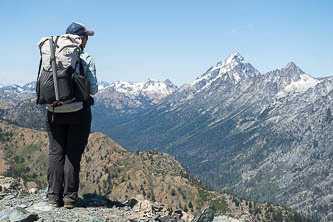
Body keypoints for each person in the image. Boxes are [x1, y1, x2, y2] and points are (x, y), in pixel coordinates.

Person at [46, 22, 98, 209]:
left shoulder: (52, 55)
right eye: (86, 37)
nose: (87, 40)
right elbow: (93, 89)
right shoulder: (85, 58)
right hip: (78, 112)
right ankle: (69, 198)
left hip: (53, 112)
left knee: (56, 152)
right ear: (80, 38)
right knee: (73, 153)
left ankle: (53, 197)